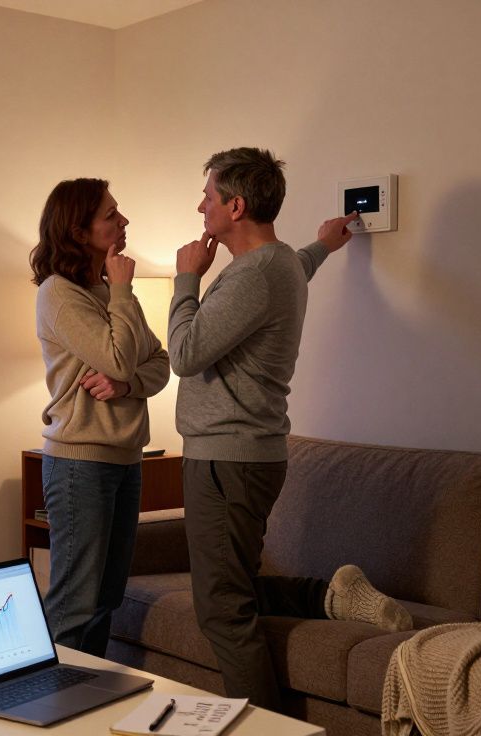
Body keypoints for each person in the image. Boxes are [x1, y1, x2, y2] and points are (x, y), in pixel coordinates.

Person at [168, 148, 407, 709]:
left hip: (227, 458)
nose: (200, 206)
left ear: (236, 205)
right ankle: (330, 597)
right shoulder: (275, 266)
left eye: (208, 196)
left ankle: (268, 729)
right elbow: (295, 266)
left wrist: (185, 280)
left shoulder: (253, 275)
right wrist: (324, 245)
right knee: (236, 590)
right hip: (244, 454)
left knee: (222, 611)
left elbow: (184, 352)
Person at [30, 178, 171, 656]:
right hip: (80, 464)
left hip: (125, 459)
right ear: (78, 229)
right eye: (112, 214)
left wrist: (128, 384)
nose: (124, 221)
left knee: (106, 599)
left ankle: (84, 704)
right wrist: (125, 293)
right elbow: (116, 355)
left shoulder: (108, 291)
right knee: (75, 604)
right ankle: (43, 716)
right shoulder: (59, 293)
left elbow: (159, 362)